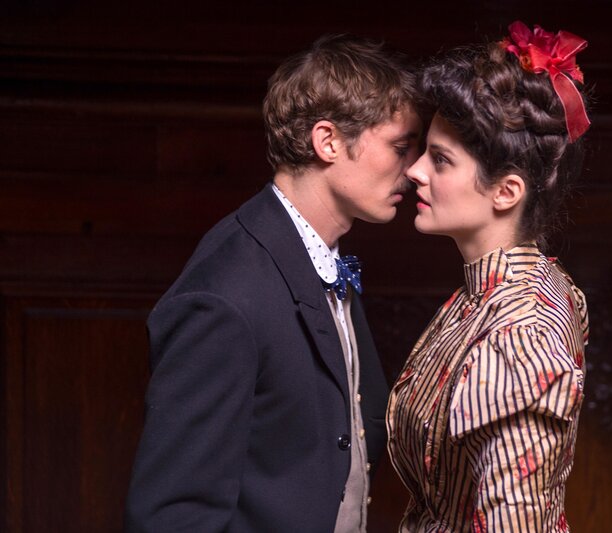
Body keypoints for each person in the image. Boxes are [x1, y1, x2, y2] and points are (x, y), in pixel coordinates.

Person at [125, 34, 421, 532]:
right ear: (328, 142)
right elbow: (172, 516)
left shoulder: (323, 258)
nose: (413, 169)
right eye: (400, 146)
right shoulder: (224, 295)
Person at [386, 21, 590, 532]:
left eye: (441, 160)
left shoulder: (520, 336)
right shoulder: (494, 292)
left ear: (506, 192)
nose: (415, 171)